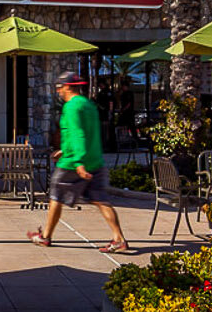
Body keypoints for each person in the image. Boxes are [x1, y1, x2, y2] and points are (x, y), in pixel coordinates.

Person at [27, 72, 133, 253]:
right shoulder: (89, 105)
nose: (58, 91)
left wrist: (78, 162)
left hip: (73, 164)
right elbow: (85, 133)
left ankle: (45, 236)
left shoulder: (72, 107)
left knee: (55, 196)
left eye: (59, 88)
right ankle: (119, 239)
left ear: (68, 87)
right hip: (95, 161)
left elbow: (78, 133)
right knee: (101, 200)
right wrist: (65, 149)